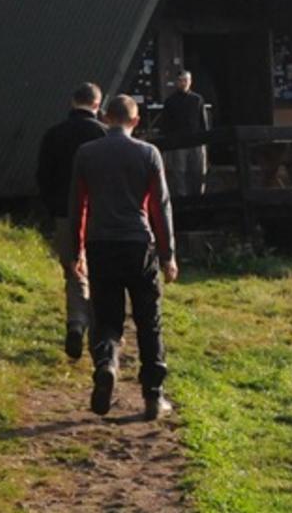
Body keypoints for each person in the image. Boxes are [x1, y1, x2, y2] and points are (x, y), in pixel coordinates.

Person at [69, 94, 178, 422]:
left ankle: (107, 364)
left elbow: (78, 205)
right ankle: (153, 394)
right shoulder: (148, 153)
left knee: (106, 317)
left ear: (105, 117)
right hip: (138, 244)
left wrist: (76, 249)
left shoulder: (86, 153)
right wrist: (167, 254)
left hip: (101, 243)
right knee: (149, 319)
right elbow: (160, 205)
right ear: (136, 121)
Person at [35, 83, 107, 360]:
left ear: (72, 101)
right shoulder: (103, 134)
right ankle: (99, 337)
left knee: (75, 271)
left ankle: (76, 322)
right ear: (97, 104)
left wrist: (54, 209)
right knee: (101, 273)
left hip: (65, 213)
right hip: (100, 214)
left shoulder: (54, 134)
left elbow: (43, 177)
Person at [159, 72, 208, 198]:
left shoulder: (197, 99)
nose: (183, 83)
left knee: (198, 172)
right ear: (177, 82)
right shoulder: (170, 101)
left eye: (185, 80)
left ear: (190, 81)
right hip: (179, 142)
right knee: (179, 172)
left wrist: (205, 139)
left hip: (196, 141)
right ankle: (182, 198)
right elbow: (166, 123)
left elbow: (203, 121)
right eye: (180, 80)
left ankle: (199, 197)